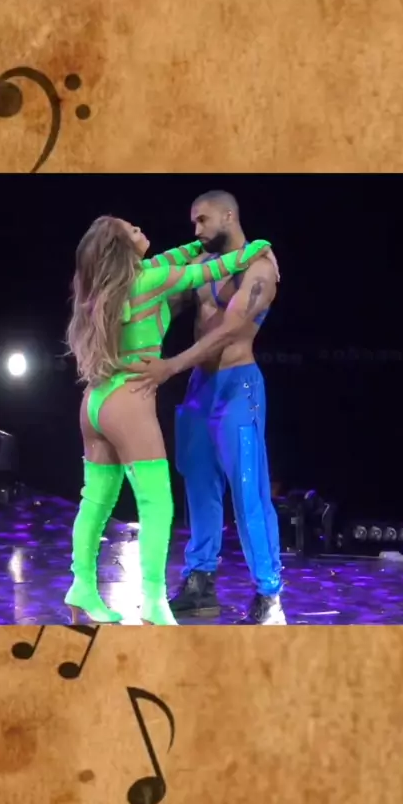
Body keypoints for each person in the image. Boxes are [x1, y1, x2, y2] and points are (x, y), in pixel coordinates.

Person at [64, 214, 273, 626]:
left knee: (95, 501)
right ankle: (154, 602)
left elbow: (175, 256)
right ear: (123, 248)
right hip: (129, 402)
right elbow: (212, 270)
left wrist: (196, 245)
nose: (142, 230)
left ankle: (81, 587)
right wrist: (259, 247)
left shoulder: (107, 284)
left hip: (95, 401)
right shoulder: (149, 281)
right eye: (134, 231)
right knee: (156, 503)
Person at [123, 191, 286, 625]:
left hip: (238, 388)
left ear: (228, 216)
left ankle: (269, 595)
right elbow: (163, 302)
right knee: (198, 485)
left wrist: (171, 366)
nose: (195, 230)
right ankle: (200, 581)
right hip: (200, 388)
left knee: (248, 491)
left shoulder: (259, 269)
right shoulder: (201, 265)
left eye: (202, 220)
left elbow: (231, 330)